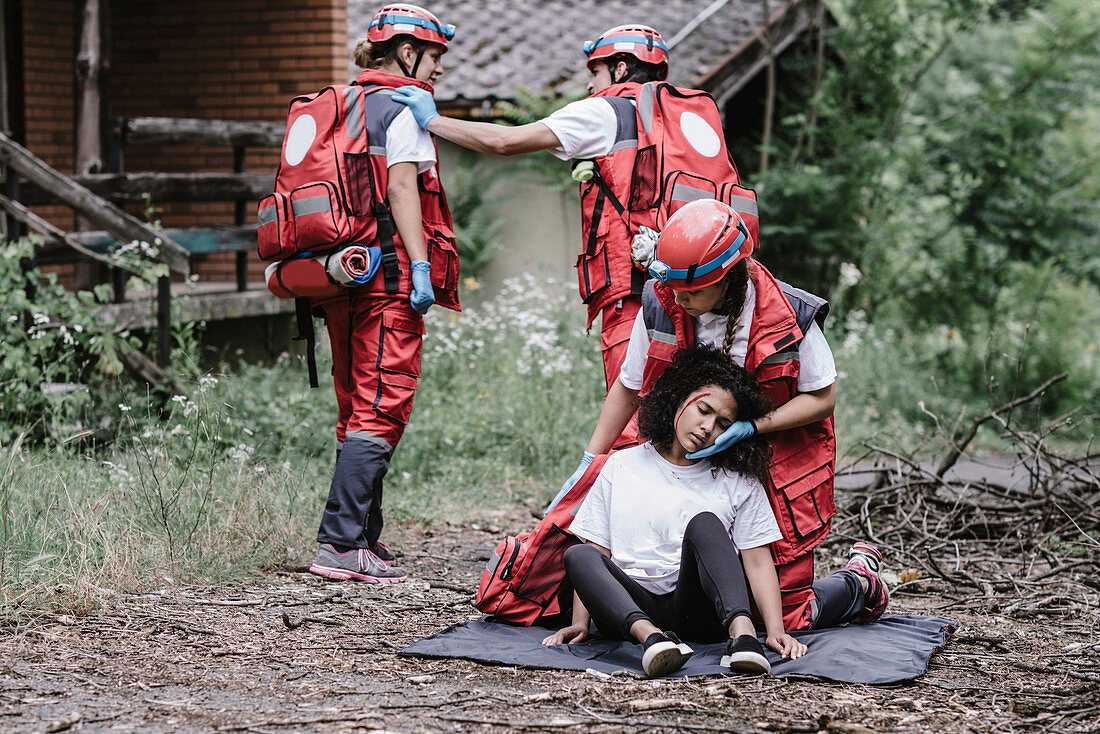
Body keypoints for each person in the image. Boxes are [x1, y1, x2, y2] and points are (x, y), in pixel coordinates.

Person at [552, 198, 865, 632]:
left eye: (693, 291)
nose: (680, 299)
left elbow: (822, 398)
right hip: (689, 456)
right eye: (675, 287)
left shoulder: (791, 312)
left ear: (729, 277)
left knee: (784, 616)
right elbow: (627, 387)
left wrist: (751, 427)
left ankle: (860, 582)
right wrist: (590, 461)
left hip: (766, 457)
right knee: (555, 586)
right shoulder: (663, 301)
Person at [541, 345, 888, 678]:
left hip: (698, 610)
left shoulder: (735, 480)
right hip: (630, 609)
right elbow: (598, 551)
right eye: (703, 411)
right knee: (580, 554)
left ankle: (743, 637)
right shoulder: (621, 465)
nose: (708, 428)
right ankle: (653, 642)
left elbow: (756, 559)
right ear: (678, 398)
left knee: (706, 523)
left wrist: (775, 630)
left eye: (723, 423)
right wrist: (580, 624)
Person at [391, 25, 672, 396]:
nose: (590, 85)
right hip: (692, 287)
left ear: (620, 69)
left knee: (638, 416)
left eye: (595, 72)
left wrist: (433, 121)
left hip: (635, 294)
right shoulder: (679, 121)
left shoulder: (605, 111)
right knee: (685, 412)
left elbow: (505, 141)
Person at [308, 3, 462, 584]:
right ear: (406, 53)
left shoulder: (345, 106)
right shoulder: (403, 107)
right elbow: (401, 188)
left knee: (356, 402)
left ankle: (362, 540)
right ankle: (340, 544)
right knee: (383, 402)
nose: (439, 70)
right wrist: (421, 265)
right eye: (434, 57)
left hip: (342, 274)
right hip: (389, 276)